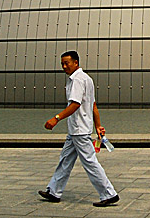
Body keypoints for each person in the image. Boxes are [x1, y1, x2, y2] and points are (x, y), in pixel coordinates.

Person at [38, 50, 119, 207]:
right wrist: (98, 126)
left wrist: (56, 118)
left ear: (76, 62)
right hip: (76, 130)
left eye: (66, 63)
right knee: (65, 160)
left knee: (89, 162)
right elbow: (93, 105)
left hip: (79, 130)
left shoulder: (77, 80)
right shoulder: (86, 79)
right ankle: (54, 191)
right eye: (62, 63)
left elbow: (75, 104)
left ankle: (109, 194)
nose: (64, 66)